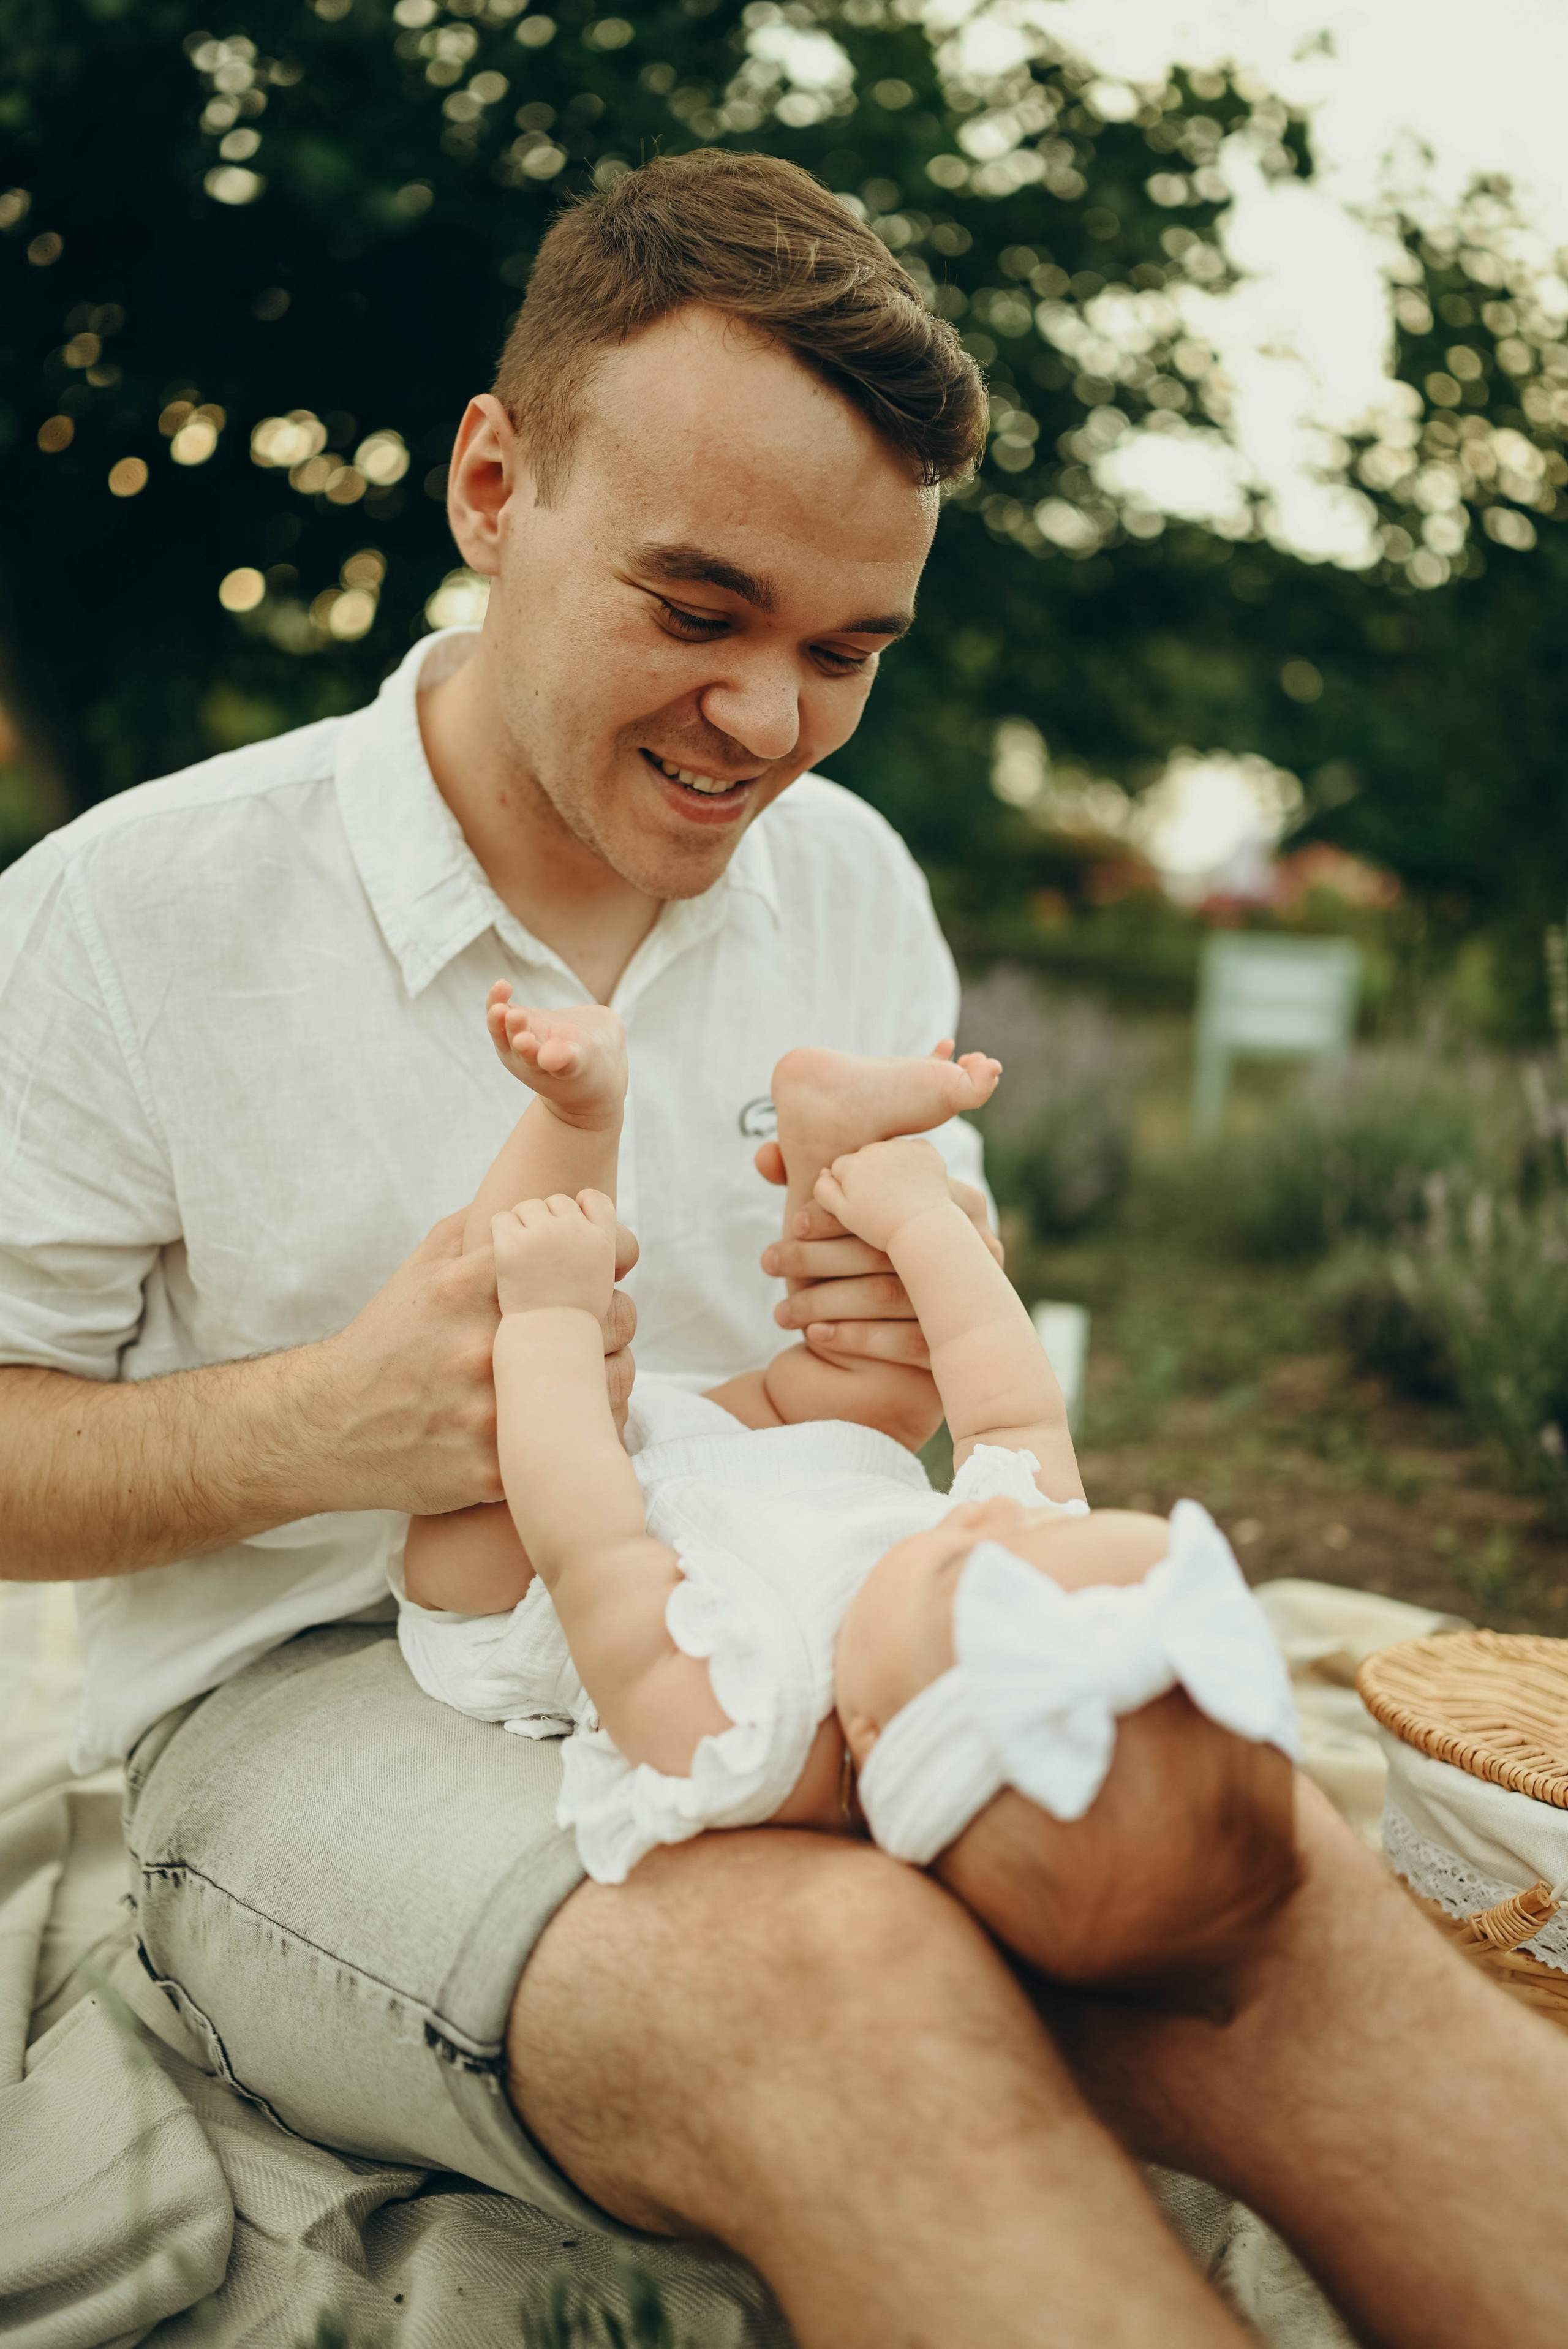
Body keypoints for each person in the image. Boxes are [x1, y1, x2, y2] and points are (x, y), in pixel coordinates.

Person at [4, 148, 1568, 2349]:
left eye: (848, 650)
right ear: (489, 482)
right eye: (698, 607)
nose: (769, 721)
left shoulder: (849, 883)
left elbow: (928, 1378)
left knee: (1253, 1881)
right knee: (851, 1983)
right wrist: (316, 1422)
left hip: (800, 1632)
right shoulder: (124, 910)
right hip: (309, 1708)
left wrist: (903, 1363)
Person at [397, 992, 1302, 2013]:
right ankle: (833, 1147)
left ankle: (573, 1120)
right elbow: (1013, 1419)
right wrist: (920, 1224)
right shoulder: (1014, 1571)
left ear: (867, 1734)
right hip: (775, 1453)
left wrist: (557, 1315)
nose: (989, 1516)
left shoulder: (749, 1734)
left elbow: (591, 1552)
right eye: (1035, 1535)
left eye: (971, 1558)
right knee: (895, 1384)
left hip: (566, 1532)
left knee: (485, 1478)